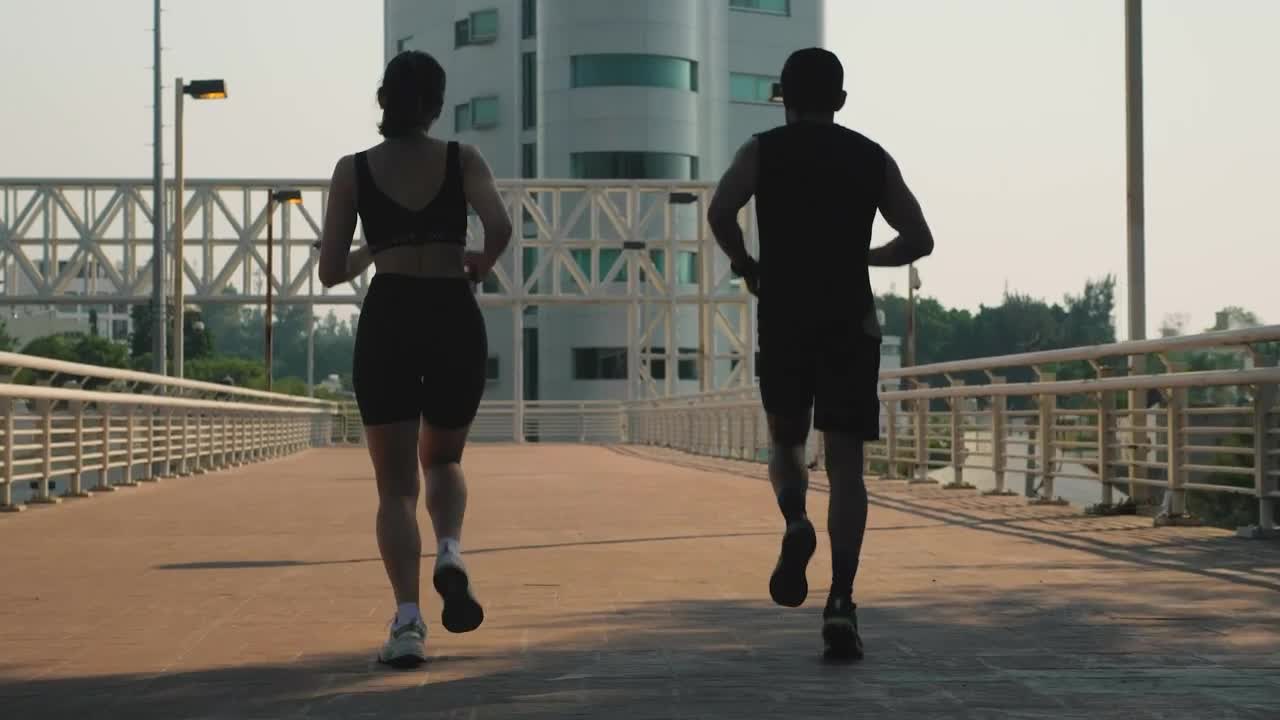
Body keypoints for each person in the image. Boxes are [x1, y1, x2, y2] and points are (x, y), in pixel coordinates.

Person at [707, 48, 934, 660]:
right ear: (839, 100)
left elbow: (720, 210)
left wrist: (747, 265)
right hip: (849, 321)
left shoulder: (761, 151)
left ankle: (794, 520)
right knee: (848, 467)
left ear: (785, 97)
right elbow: (920, 238)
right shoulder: (871, 156)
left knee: (785, 443)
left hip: (784, 316)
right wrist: (866, 258)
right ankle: (841, 602)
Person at [317, 50, 512, 668]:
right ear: (435, 105)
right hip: (453, 312)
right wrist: (478, 264)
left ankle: (406, 624)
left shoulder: (353, 171)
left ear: (383, 100)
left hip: (391, 315)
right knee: (445, 458)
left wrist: (376, 246)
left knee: (395, 486)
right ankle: (450, 550)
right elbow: (499, 225)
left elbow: (329, 271)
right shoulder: (462, 159)